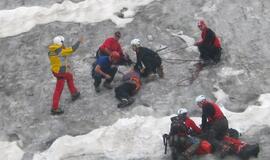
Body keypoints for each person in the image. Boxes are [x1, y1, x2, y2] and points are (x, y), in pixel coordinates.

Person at [48, 35, 83, 115]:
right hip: (60, 72)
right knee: (58, 90)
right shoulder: (61, 51)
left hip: (55, 70)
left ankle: (74, 92)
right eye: (62, 42)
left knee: (69, 76)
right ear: (60, 43)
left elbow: (57, 60)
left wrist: (65, 65)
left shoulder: (51, 51)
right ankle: (55, 108)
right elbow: (72, 49)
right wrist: (79, 42)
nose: (64, 43)